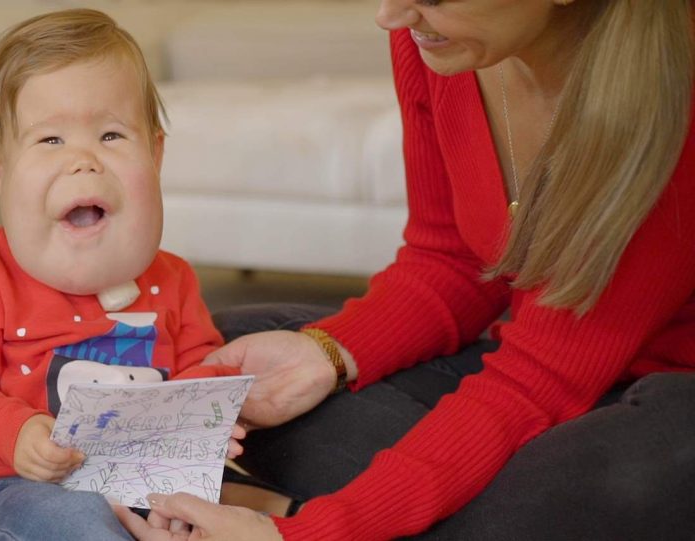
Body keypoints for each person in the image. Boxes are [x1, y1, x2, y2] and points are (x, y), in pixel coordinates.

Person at [116, 0, 695, 539]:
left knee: (635, 471)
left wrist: (308, 535)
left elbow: (538, 379)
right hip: (534, 367)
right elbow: (452, 261)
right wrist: (326, 353)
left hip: (664, 394)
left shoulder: (671, 95)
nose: (390, 15)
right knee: (240, 348)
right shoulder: (436, 44)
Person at [0, 9, 243, 541]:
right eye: (50, 141)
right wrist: (13, 432)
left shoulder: (173, 278)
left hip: (143, 483)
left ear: (155, 154)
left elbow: (200, 365)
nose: (84, 161)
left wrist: (208, 419)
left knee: (228, 515)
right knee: (80, 524)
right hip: (10, 489)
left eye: (112, 135)